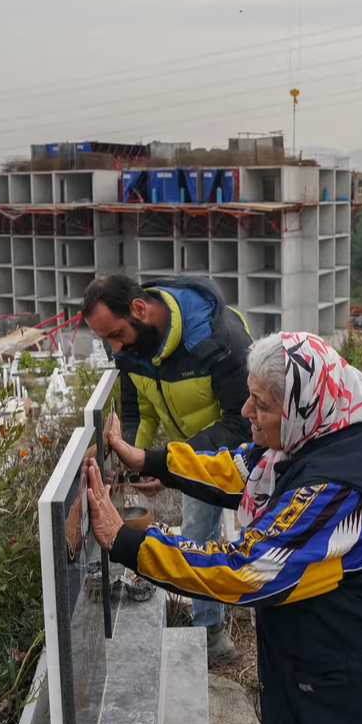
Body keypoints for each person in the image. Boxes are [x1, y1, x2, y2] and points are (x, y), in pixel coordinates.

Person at [84, 331, 362, 724]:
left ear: (301, 407)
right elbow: (241, 470)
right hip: (346, 635)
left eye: (262, 404)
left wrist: (125, 541)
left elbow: (247, 569)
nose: (246, 409)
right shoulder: (326, 426)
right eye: (250, 396)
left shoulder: (346, 488)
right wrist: (149, 461)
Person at [80, 273, 253, 660]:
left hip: (243, 453)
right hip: (191, 448)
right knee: (198, 532)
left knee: (252, 536)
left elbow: (242, 425)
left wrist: (170, 465)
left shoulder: (216, 340)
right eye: (104, 339)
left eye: (114, 334)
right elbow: (136, 412)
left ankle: (230, 630)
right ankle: (211, 633)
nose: (112, 348)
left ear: (139, 310)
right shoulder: (131, 346)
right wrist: (131, 460)